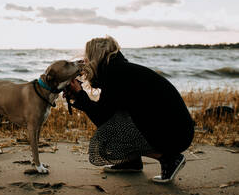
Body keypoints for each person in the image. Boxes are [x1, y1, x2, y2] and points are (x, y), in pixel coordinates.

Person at [65, 36, 194, 183]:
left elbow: (103, 119)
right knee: (119, 118)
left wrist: (80, 95)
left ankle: (169, 159)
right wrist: (80, 96)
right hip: (180, 131)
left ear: (95, 56)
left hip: (174, 136)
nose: (85, 61)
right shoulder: (121, 70)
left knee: (104, 139)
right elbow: (110, 110)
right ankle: (132, 162)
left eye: (87, 57)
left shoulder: (115, 74)